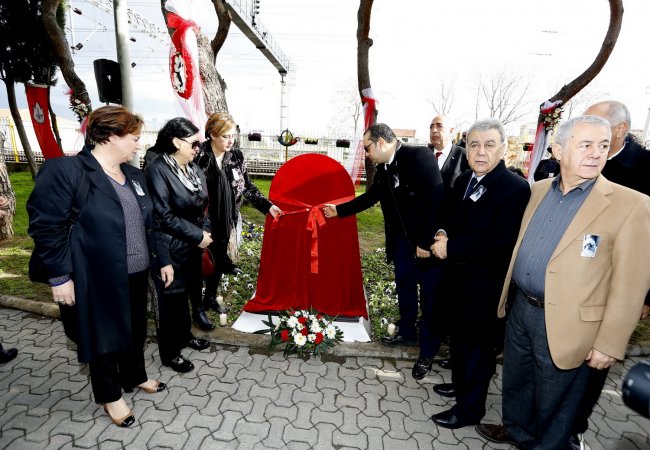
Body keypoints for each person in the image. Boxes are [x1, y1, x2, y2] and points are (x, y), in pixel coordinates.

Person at [476, 115, 650, 449]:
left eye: (602, 145)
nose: (596, 153)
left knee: (557, 400)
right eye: (585, 145)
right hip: (522, 309)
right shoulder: (539, 190)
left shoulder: (631, 204)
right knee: (517, 383)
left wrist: (609, 344)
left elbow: (631, 284)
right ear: (558, 150)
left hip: (570, 322)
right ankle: (517, 431)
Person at [27, 106, 166, 428]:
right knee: (102, 336)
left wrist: (162, 260)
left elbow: (149, 223)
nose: (138, 144)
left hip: (135, 272)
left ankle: (136, 375)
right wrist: (60, 277)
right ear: (109, 136)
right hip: (93, 275)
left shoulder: (133, 174)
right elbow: (47, 228)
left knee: (133, 330)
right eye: (133, 138)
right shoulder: (66, 171)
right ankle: (111, 395)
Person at [429, 119, 530, 429]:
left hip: (485, 287)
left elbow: (500, 242)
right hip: (457, 281)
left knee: (477, 349)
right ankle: (461, 386)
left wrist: (452, 247)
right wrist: (443, 232)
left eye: (489, 145)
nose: (480, 151)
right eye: (474, 145)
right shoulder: (463, 181)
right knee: (460, 342)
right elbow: (449, 216)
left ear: (502, 149)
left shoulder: (514, 188)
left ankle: (470, 409)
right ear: (466, 148)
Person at [323, 123, 445, 379]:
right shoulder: (384, 168)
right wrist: (339, 210)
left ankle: (427, 352)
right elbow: (371, 197)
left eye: (367, 147)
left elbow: (436, 199)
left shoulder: (419, 156)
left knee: (432, 299)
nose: (366, 153)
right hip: (401, 243)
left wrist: (424, 242)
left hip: (425, 245)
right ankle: (407, 332)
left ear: (380, 143)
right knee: (405, 288)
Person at [563, 100, 650, 449]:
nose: (587, 131)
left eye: (596, 125)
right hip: (566, 285)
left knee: (592, 365)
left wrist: (645, 298)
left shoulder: (645, 170)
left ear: (619, 131)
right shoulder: (575, 160)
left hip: (608, 291)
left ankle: (572, 430)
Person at [145, 118, 213, 373]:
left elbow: (204, 205)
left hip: (192, 247)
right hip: (169, 248)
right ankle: (170, 353)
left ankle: (185, 337)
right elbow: (162, 216)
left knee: (185, 296)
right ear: (176, 142)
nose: (199, 148)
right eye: (195, 143)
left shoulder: (194, 168)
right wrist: (197, 235)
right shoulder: (157, 170)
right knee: (170, 303)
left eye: (200, 142)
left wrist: (205, 230)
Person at [195, 113, 281, 314]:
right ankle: (196, 306)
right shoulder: (199, 156)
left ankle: (210, 298)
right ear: (212, 134)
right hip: (203, 219)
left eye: (233, 136)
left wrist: (267, 206)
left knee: (217, 258)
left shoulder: (236, 156)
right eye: (225, 136)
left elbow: (247, 186)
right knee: (201, 261)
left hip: (226, 218)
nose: (230, 141)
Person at [429, 114, 470, 192]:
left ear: (451, 130)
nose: (434, 130)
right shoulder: (423, 156)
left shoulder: (465, 156)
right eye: (431, 127)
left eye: (439, 126)